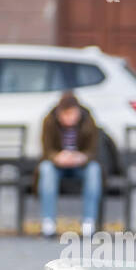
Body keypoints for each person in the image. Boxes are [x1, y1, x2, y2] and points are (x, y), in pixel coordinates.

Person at [37, 92, 103, 238]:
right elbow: (46, 150)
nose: (69, 119)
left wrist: (82, 157)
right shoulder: (49, 121)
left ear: (78, 111)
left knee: (94, 170)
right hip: (57, 166)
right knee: (46, 168)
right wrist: (57, 157)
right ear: (59, 113)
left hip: (81, 166)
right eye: (65, 115)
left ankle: (88, 222)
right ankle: (48, 222)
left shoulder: (88, 120)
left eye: (72, 114)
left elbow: (94, 150)